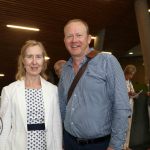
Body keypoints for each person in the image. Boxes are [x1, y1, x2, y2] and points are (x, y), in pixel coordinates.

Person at [58, 19, 131, 150]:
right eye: (69, 36)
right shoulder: (65, 70)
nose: (74, 40)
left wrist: (115, 145)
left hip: (99, 145)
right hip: (69, 142)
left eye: (79, 35)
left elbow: (121, 107)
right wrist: (61, 139)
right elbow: (62, 106)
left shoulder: (107, 62)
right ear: (65, 41)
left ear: (89, 39)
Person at [0, 40, 62, 150]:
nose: (34, 62)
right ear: (23, 61)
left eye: (38, 57)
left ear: (43, 60)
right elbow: (3, 128)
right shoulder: (9, 91)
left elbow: (56, 127)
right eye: (29, 56)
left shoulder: (53, 91)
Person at [124, 64, 137, 150]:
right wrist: (127, 94)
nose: (131, 76)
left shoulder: (129, 82)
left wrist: (135, 94)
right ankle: (121, 145)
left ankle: (126, 146)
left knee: (128, 126)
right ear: (127, 72)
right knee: (123, 126)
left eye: (132, 75)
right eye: (130, 74)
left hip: (130, 105)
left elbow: (132, 92)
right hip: (123, 107)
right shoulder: (120, 80)